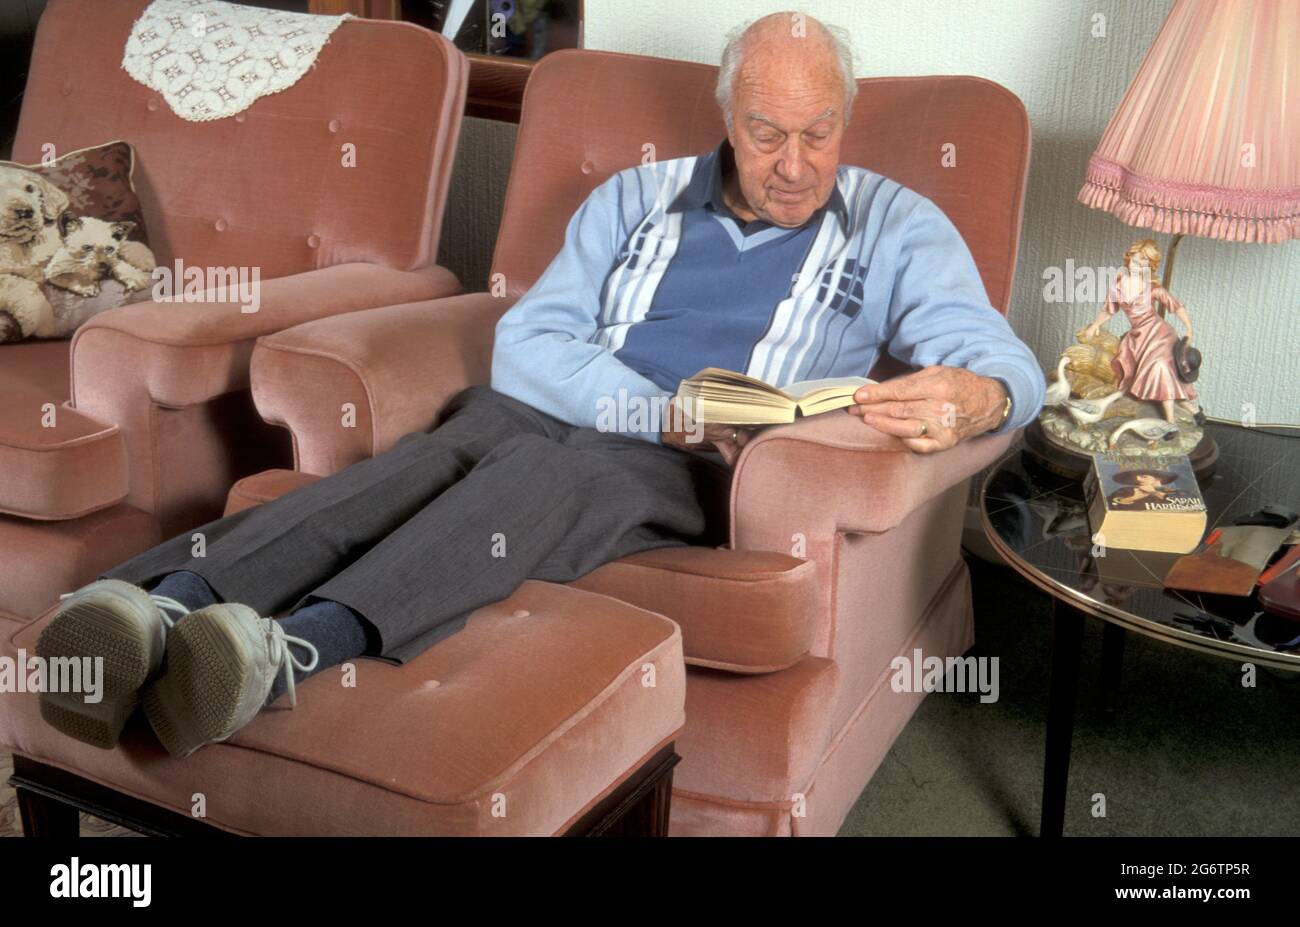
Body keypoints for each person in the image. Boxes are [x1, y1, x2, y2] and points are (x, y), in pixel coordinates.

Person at [36, 12, 1045, 758]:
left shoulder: (897, 226)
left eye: (817, 133)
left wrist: (978, 398)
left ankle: (285, 652)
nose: (792, 166)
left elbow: (1005, 365)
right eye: (765, 132)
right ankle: (153, 604)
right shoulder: (636, 200)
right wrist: (648, 400)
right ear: (726, 116)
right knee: (430, 461)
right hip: (574, 408)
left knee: (549, 479)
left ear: (847, 118)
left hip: (688, 468)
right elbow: (531, 342)